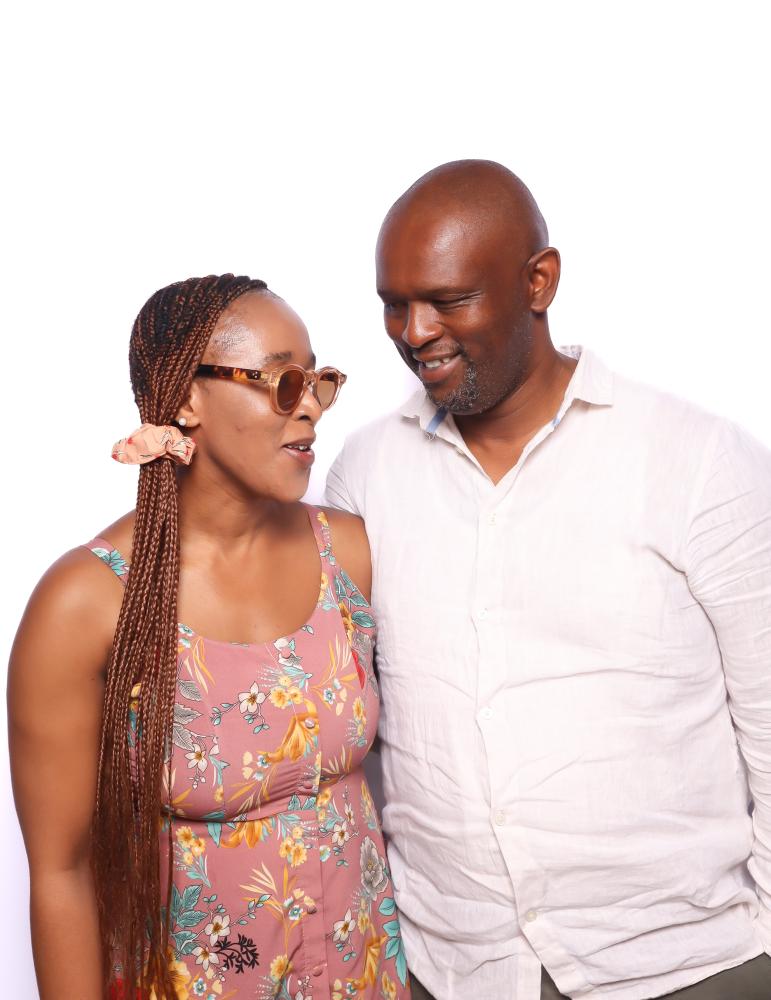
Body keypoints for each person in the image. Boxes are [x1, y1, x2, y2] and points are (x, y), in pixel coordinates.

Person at [326, 161, 771, 999]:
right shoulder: (366, 472)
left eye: (448, 299)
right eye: (393, 303)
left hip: (685, 966)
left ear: (538, 281)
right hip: (451, 969)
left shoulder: (698, 461)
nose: (414, 331)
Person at [9, 275, 411, 1000]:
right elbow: (62, 872)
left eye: (317, 381)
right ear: (188, 401)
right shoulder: (87, 603)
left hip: (367, 980)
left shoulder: (348, 553)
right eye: (282, 383)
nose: (311, 407)